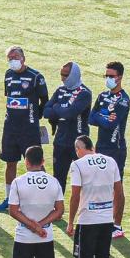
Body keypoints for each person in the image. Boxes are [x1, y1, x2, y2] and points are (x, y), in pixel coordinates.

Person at [1, 145, 65, 258]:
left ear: (26, 162)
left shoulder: (18, 182)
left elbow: (13, 211)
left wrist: (32, 226)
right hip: (46, 235)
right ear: (43, 161)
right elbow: (59, 210)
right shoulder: (53, 181)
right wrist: (41, 226)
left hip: (24, 236)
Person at [66, 136, 124, 258]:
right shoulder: (110, 161)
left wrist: (70, 221)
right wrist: (115, 219)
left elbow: (75, 195)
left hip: (87, 220)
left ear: (79, 148)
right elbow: (119, 192)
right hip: (106, 220)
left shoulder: (78, 165)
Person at [0, 46, 49, 214]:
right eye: (9, 58)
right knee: (10, 163)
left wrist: (35, 116)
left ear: (23, 58)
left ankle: (45, 199)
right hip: (10, 127)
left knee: (36, 163)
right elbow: (10, 97)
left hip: (29, 129)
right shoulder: (8, 75)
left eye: (15, 57)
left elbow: (44, 100)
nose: (12, 60)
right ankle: (9, 199)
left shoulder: (36, 77)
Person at [89, 62, 130, 238]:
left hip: (116, 148)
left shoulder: (123, 100)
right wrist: (104, 115)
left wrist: (101, 116)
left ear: (120, 77)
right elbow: (91, 118)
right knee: (99, 184)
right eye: (106, 76)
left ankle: (117, 225)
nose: (108, 79)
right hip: (101, 146)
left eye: (111, 76)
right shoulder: (102, 96)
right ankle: (102, 220)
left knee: (116, 186)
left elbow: (110, 124)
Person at [43, 62, 92, 191]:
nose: (62, 78)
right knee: (58, 179)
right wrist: (61, 109)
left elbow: (70, 114)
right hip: (60, 141)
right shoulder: (60, 90)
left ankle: (83, 204)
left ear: (74, 75)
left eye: (65, 75)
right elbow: (46, 111)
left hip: (79, 142)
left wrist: (56, 107)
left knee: (83, 179)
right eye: (61, 75)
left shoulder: (84, 93)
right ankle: (58, 203)